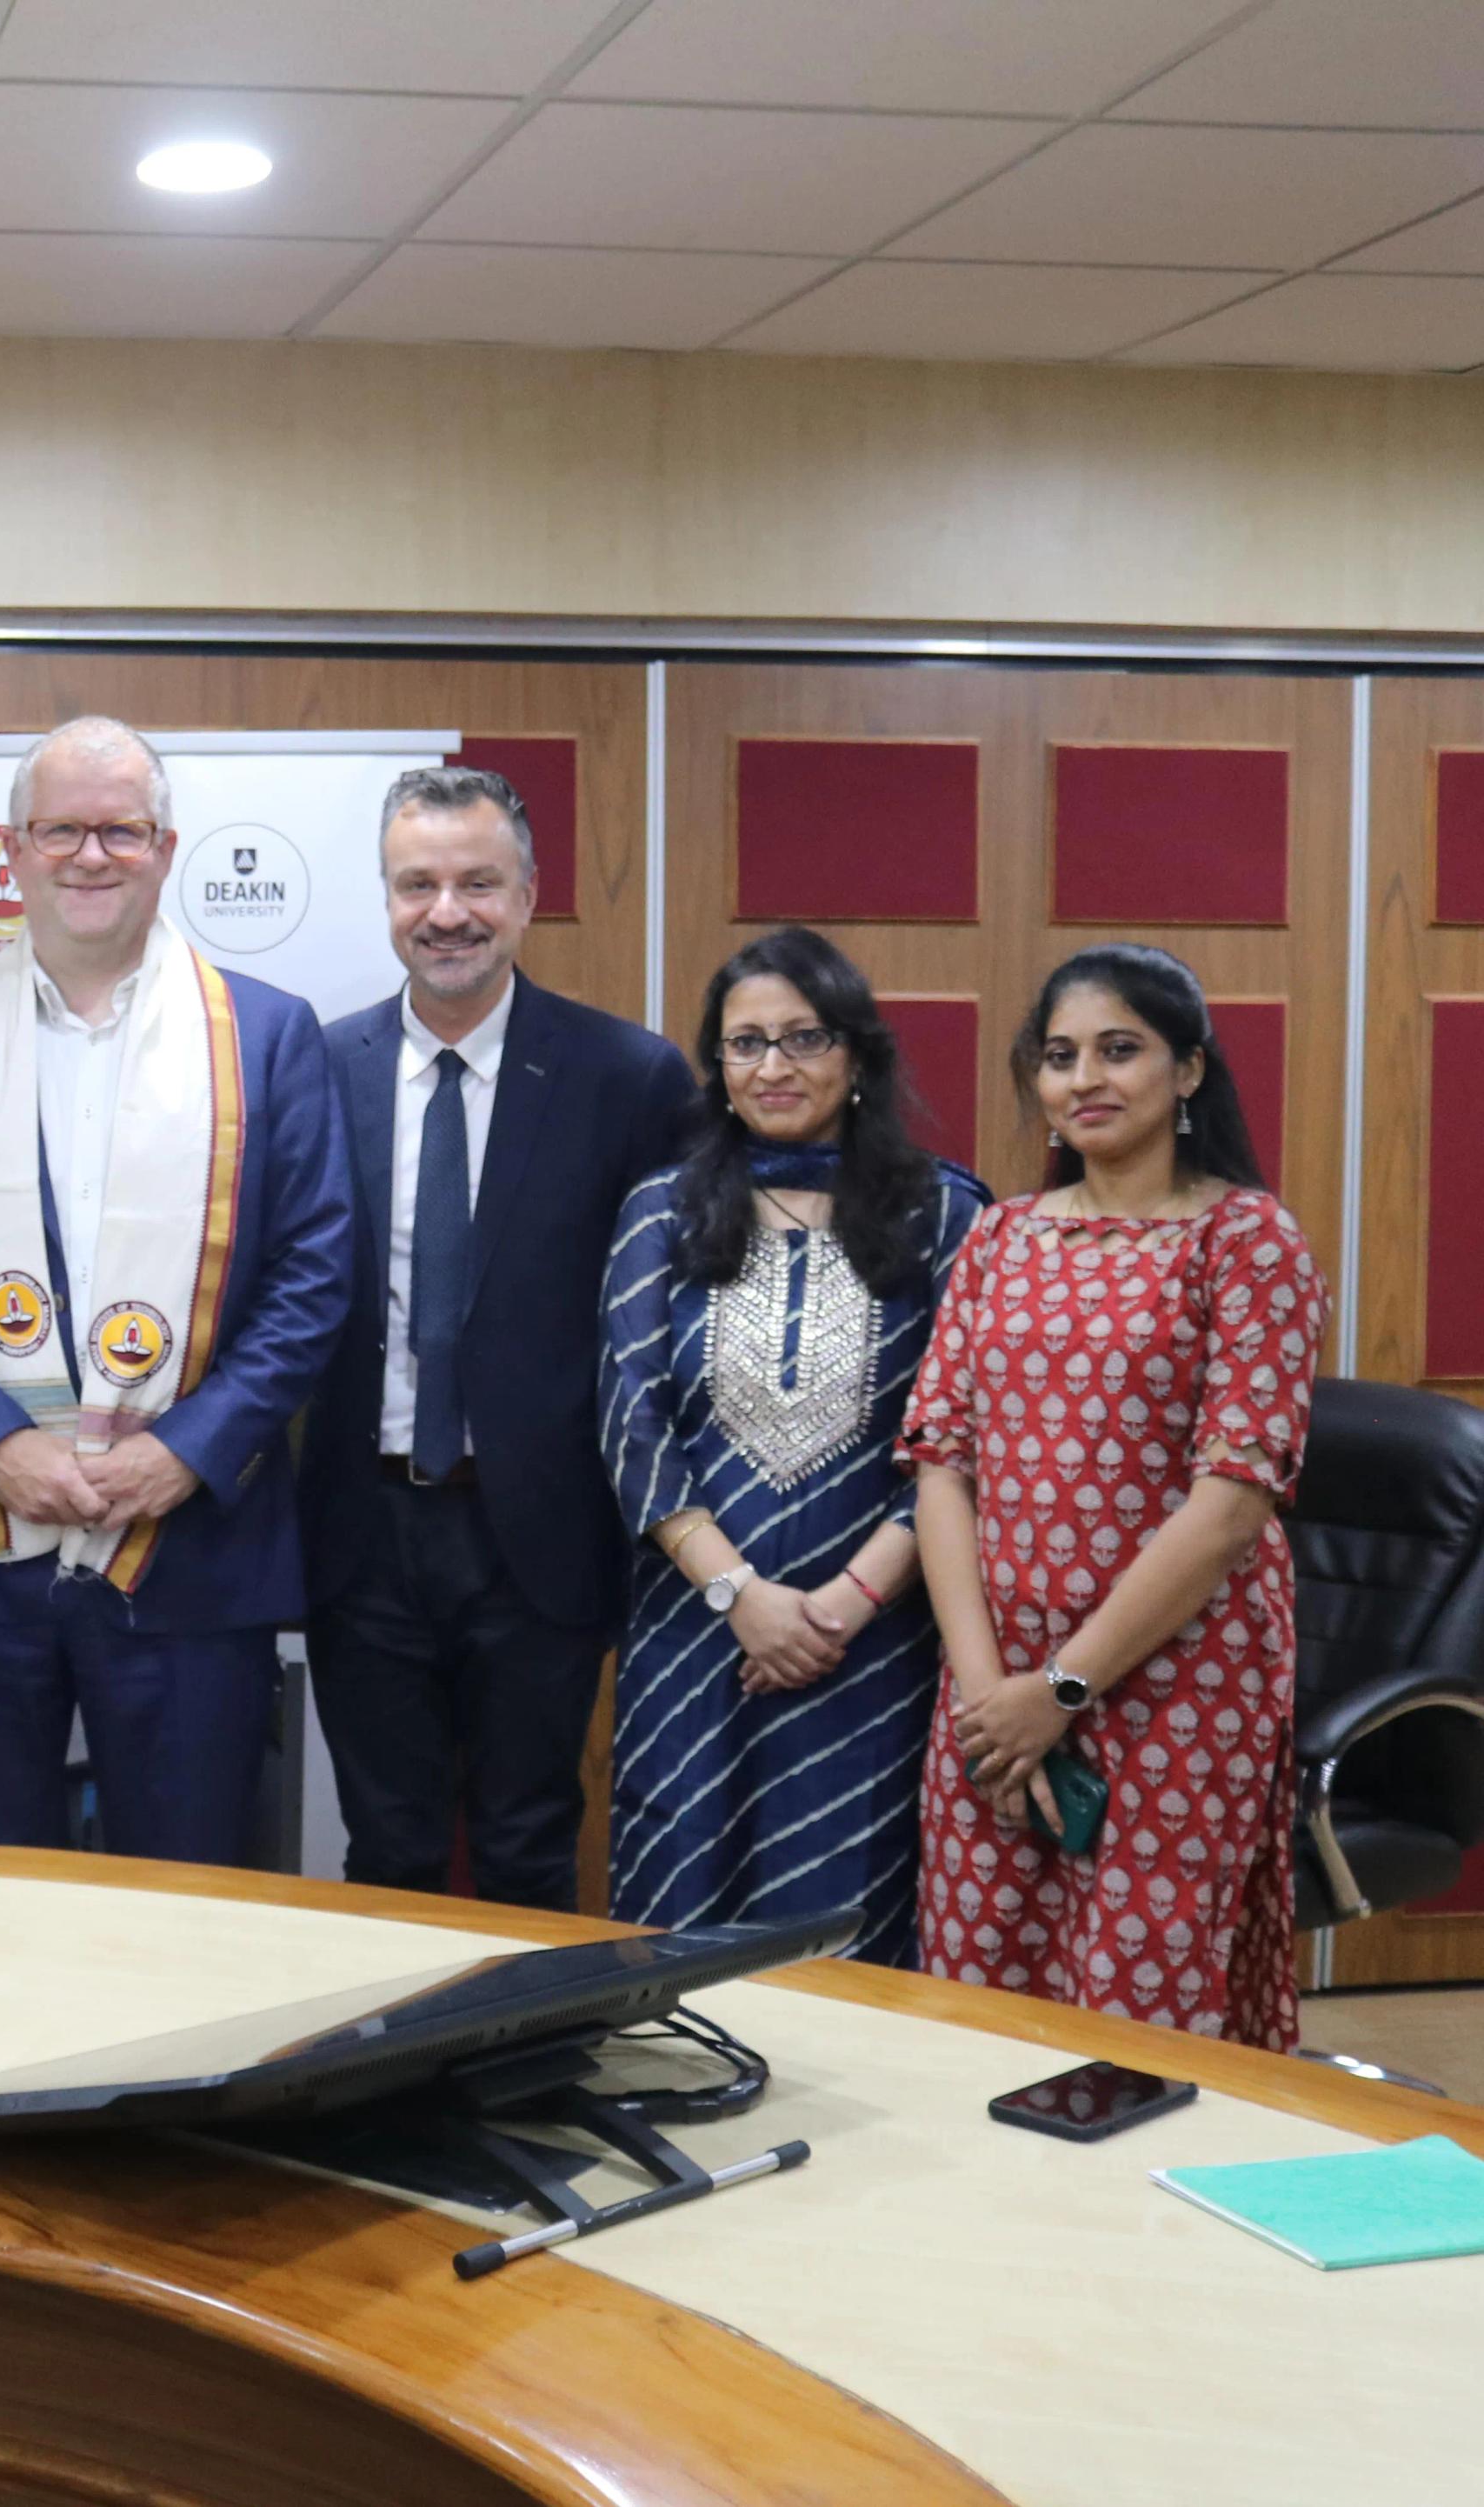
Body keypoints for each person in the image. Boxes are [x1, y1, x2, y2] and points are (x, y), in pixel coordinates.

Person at [0, 717, 350, 1865]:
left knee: (187, 1892)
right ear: (14, 851)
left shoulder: (267, 1035)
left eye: (121, 830)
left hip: (193, 1547)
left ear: (166, 849)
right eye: (61, 830)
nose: (90, 855)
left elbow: (313, 1272)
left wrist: (186, 1450)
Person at [902, 943, 1324, 2049]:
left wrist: (1063, 1688)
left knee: (1140, 2015)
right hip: (993, 1684)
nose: (1084, 1078)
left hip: (1175, 1682)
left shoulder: (1247, 1240)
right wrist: (989, 1692)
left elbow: (1233, 1503)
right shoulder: (999, 1236)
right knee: (974, 1999)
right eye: (1059, 1057)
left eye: (1119, 1050)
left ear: (1189, 1070)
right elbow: (941, 1463)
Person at [301, 765, 697, 1910]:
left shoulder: (629, 1077)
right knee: (387, 1851)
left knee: (531, 1846)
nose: (447, 912)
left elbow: (664, 1319)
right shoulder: (316, 1069)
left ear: (528, 896)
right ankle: (392, 2034)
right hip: (361, 1527)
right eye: (417, 884)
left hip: (541, 1535)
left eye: (478, 882)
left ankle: (531, 2034)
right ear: (386, 899)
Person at [598, 929, 988, 1964]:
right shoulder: (660, 1212)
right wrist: (742, 1599)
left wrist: (842, 1608)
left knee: (849, 1922)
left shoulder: (947, 1216)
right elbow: (632, 1425)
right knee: (679, 1912)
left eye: (804, 1038)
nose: (773, 1066)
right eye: (746, 1043)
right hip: (698, 1640)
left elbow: (958, 1444)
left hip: (875, 1645)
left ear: (857, 1056)